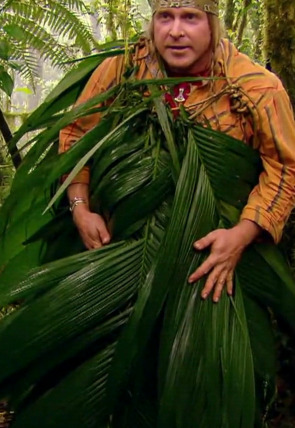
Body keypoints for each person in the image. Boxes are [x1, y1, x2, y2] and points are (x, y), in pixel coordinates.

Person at [59, 0, 295, 303]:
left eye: (190, 18)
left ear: (212, 23)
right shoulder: (124, 71)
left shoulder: (256, 88)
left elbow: (285, 168)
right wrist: (79, 207)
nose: (175, 31)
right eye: (165, 17)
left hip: (213, 259)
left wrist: (241, 236)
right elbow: (77, 133)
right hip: (124, 251)